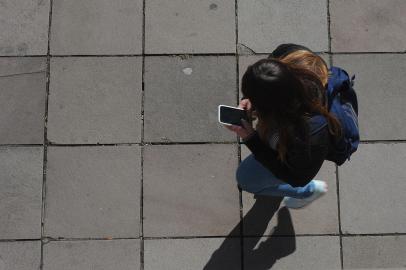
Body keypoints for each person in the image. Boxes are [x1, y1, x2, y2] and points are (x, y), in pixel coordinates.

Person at [225, 47, 342, 208]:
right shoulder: (288, 56)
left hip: (287, 158)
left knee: (246, 180)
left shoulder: (309, 134)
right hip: (282, 142)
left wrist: (251, 139)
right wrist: (250, 99)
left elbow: (298, 178)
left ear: (273, 107)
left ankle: (308, 192)